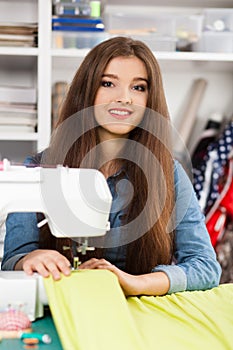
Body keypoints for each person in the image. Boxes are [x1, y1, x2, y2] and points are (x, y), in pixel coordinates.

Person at [1, 36, 221, 296]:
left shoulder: (168, 174)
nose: (124, 98)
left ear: (150, 99)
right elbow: (14, 259)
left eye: (138, 87)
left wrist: (132, 282)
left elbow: (206, 267)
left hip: (139, 312)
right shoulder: (39, 169)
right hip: (64, 304)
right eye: (108, 83)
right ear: (87, 91)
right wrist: (30, 258)